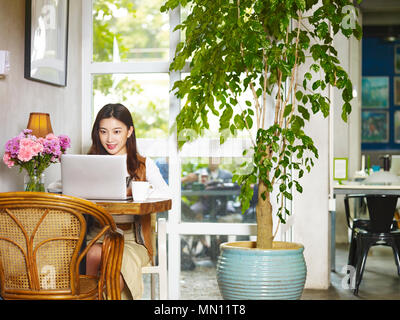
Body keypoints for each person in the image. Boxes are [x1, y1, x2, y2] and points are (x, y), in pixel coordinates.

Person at [85, 103, 171, 300]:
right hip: (98, 233)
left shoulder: (143, 164)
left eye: (117, 131)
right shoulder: (89, 162)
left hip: (134, 238)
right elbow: (60, 187)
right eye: (103, 131)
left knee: (118, 259)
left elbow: (167, 194)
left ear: (129, 131)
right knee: (94, 254)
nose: (109, 139)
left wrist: (136, 191)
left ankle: (98, 297)